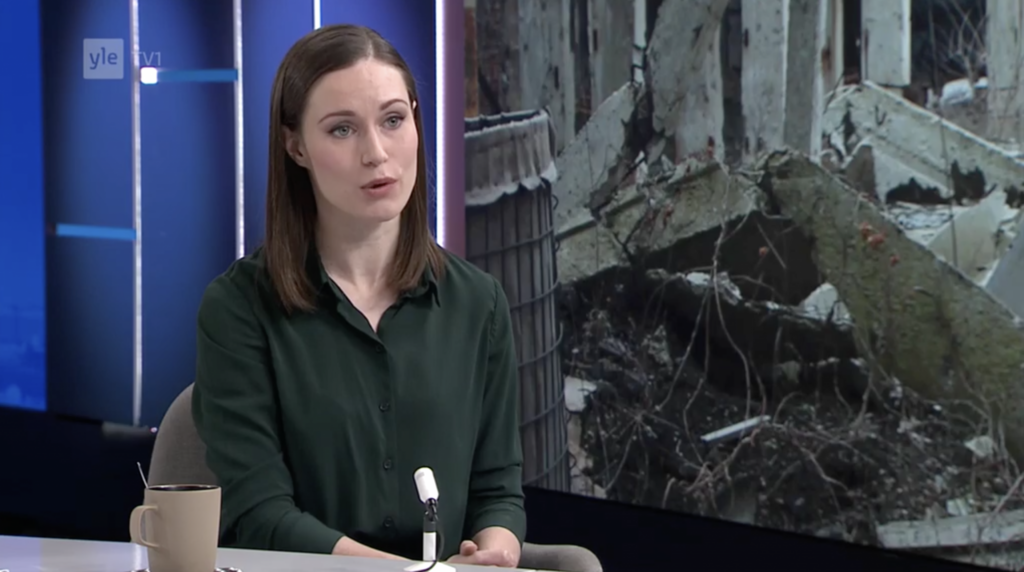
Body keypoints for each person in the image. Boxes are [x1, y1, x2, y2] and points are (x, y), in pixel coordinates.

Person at [191, 24, 525, 568]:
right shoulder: (238, 309)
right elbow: (259, 515)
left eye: (393, 120)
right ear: (296, 146)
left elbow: (498, 491)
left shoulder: (478, 303)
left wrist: (495, 552)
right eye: (342, 130)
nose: (377, 153)